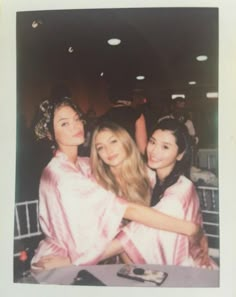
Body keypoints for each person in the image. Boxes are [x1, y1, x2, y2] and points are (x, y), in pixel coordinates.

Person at [31, 97, 202, 271]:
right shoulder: (62, 175)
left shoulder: (84, 164)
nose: (75, 126)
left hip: (93, 254)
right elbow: (126, 211)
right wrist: (190, 228)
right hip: (64, 260)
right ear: (50, 134)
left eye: (76, 119)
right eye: (64, 124)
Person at [96, 119, 217, 268]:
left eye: (165, 147)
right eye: (152, 142)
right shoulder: (154, 177)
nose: (154, 151)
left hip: (181, 271)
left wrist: (79, 260)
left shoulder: (179, 192)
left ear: (180, 154)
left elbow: (132, 235)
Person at [100, 86, 147, 154]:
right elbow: (142, 147)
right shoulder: (137, 115)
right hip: (130, 159)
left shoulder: (102, 118)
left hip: (111, 158)